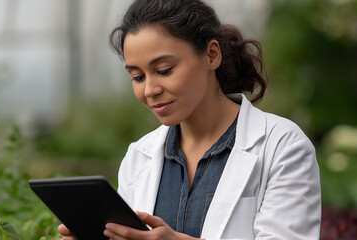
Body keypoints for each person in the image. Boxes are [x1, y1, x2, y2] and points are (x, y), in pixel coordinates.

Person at [59, 0, 321, 239]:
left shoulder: (282, 146)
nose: (150, 89)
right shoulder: (139, 157)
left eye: (164, 70)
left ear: (211, 55)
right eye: (138, 77)